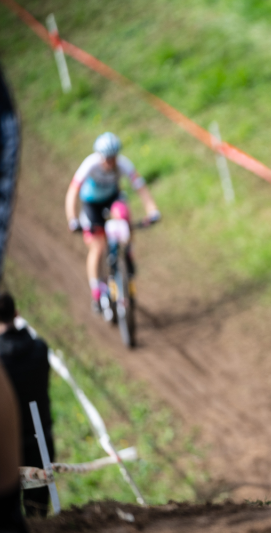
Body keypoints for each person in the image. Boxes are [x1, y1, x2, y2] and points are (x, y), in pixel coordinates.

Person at [64, 132, 161, 313]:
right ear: (99, 156)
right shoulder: (90, 164)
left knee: (123, 215)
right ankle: (96, 291)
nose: (110, 162)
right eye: (107, 159)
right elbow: (72, 192)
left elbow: (140, 188)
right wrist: (72, 219)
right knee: (98, 247)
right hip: (91, 204)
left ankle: (127, 251)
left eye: (113, 158)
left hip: (112, 199)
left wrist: (152, 210)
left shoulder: (123, 164)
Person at [0, 63, 29, 533]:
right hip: (89, 206)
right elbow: (75, 199)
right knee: (95, 243)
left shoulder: (118, 170)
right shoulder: (91, 172)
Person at [0, 293, 53, 518]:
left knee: (7, 513)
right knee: (37, 511)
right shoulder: (40, 348)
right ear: (16, 313)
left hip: (7, 445)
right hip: (39, 440)